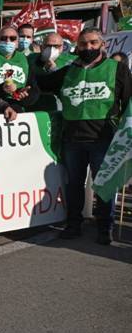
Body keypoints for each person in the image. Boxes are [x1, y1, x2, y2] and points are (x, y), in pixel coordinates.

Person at [38, 27, 132, 244]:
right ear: (77, 47)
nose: (88, 47)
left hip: (104, 139)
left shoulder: (117, 69)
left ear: (102, 45)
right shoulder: (68, 71)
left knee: (103, 185)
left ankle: (104, 227)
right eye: (83, 44)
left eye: (93, 43)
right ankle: (73, 224)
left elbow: (128, 101)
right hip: (72, 140)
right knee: (74, 185)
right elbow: (42, 84)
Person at [0, 26, 38, 112]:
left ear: (17, 43)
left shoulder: (25, 60)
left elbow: (34, 90)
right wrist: (2, 89)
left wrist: (24, 95)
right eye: (3, 38)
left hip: (17, 110)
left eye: (12, 38)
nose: (8, 41)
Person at [26, 32, 77, 112]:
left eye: (56, 46)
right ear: (42, 47)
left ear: (62, 47)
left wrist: (55, 70)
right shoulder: (30, 59)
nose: (51, 49)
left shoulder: (72, 61)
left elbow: (73, 83)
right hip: (34, 101)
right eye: (48, 46)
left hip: (60, 104)